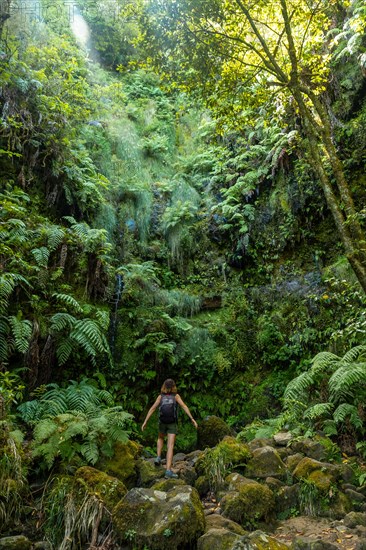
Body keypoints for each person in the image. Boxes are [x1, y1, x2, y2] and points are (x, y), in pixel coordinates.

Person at [141, 378, 198, 479]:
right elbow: (184, 406)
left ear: (164, 386)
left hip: (162, 422)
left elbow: (152, 408)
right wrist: (192, 419)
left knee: (160, 438)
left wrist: (145, 422)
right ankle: (168, 471)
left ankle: (158, 457)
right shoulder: (176, 396)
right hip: (172, 423)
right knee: (170, 446)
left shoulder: (160, 397)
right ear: (173, 387)